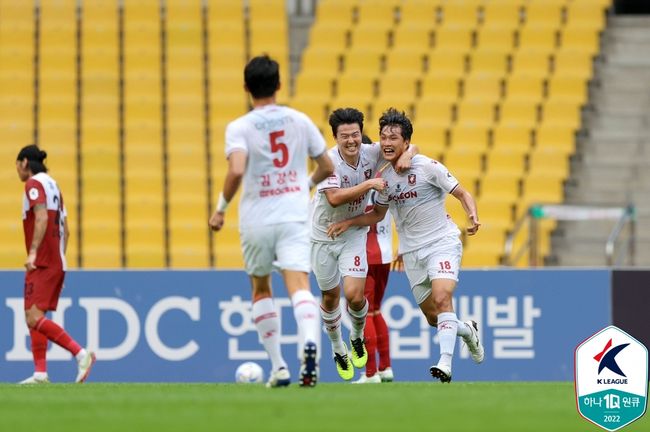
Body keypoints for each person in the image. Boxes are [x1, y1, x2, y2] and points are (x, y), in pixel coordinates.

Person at [327, 108, 485, 383]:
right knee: (434, 318)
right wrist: (349, 222)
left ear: (406, 143)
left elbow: (462, 193)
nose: (387, 143)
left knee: (442, 298)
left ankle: (445, 364)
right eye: (383, 137)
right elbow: (377, 214)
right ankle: (467, 331)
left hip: (441, 242)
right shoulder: (383, 178)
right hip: (412, 252)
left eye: (394, 138)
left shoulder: (427, 166)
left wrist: (472, 214)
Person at [208, 55, 334, 388]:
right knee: (300, 287)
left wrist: (220, 208)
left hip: (256, 218)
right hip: (293, 213)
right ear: (279, 85)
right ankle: (309, 346)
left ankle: (279, 367)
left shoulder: (240, 127)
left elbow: (236, 169)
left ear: (246, 88)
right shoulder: (299, 120)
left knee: (261, 288)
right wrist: (302, 186)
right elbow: (326, 166)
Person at [311, 108, 415, 381]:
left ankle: (356, 337)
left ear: (361, 134)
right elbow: (333, 199)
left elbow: (408, 144)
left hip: (354, 233)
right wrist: (370, 183)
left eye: (355, 134)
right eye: (344, 136)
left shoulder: (371, 151)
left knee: (356, 296)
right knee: (331, 297)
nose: (351, 141)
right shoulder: (328, 162)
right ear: (335, 138)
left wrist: (409, 154)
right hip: (324, 234)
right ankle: (337, 347)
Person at [16, 144, 96, 384]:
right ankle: (40, 372)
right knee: (32, 312)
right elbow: (67, 231)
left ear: (24, 163)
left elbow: (41, 217)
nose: (17, 171)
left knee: (32, 316)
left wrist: (33, 253)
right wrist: (60, 264)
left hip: (42, 260)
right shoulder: (55, 187)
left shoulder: (34, 185)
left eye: (17, 166)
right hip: (55, 260)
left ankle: (81, 354)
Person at [353, 135, 394, 384]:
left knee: (363, 315)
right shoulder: (385, 179)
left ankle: (370, 373)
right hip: (385, 252)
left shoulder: (357, 183)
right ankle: (385, 367)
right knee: (376, 310)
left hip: (364, 255)